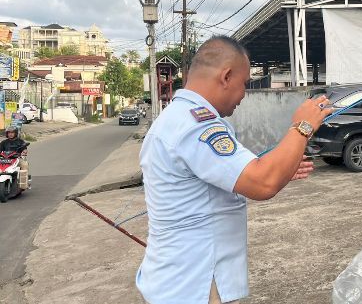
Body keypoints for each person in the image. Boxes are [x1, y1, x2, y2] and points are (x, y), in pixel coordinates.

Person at [136, 36, 331, 304]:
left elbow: (244, 173)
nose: (243, 94)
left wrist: (280, 168)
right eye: (245, 84)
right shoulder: (196, 125)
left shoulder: (178, 119)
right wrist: (302, 127)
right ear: (226, 76)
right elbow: (263, 183)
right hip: (194, 284)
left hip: (179, 279)